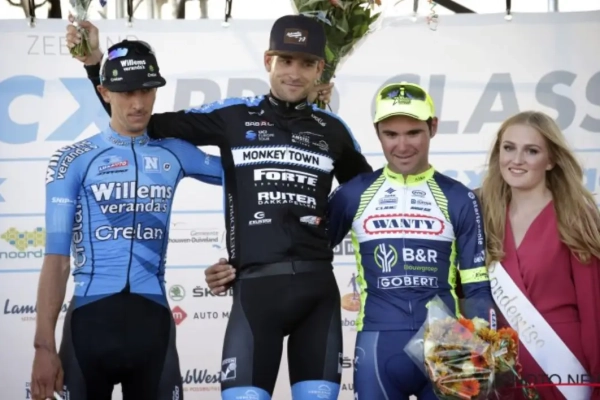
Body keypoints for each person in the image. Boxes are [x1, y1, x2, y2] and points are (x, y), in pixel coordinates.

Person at [66, 14, 372, 400]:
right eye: (286, 61)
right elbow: (138, 119)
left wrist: (327, 231)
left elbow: (368, 194)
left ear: (320, 69)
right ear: (268, 61)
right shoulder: (234, 117)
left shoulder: (334, 129)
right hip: (254, 291)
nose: (294, 73)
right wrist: (95, 65)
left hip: (318, 293)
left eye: (306, 63)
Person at [207, 82, 498, 399]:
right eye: (391, 134)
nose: (402, 145)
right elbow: (303, 252)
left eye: (413, 133)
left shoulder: (459, 197)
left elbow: (477, 288)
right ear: (377, 133)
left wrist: (485, 346)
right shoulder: (354, 193)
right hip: (377, 347)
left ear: (433, 128)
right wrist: (237, 266)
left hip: (448, 346)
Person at [31, 39, 223, 400]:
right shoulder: (73, 159)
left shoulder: (174, 151)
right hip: (89, 325)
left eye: (146, 91)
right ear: (104, 93)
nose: (138, 103)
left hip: (153, 327)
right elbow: (56, 260)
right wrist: (44, 346)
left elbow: (248, 176)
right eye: (126, 92)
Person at [479, 111, 600, 400]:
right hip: (502, 371)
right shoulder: (483, 214)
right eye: (509, 148)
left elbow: (594, 310)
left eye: (531, 151)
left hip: (563, 370)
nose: (517, 159)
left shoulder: (574, 215)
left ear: (551, 160)